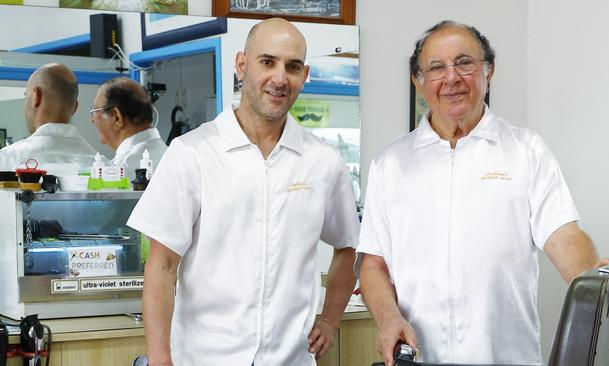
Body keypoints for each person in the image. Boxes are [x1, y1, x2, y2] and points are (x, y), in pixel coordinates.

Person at [357, 20, 609, 366]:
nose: (452, 78)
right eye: (436, 68)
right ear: (418, 80)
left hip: (507, 357)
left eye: (465, 63)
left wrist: (592, 276)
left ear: (489, 71)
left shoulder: (526, 150)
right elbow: (373, 263)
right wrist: (388, 319)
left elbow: (562, 234)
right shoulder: (390, 163)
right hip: (417, 356)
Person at [126, 18, 359, 366]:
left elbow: (349, 247)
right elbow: (161, 267)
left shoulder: (323, 162)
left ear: (305, 75)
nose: (280, 78)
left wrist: (330, 319)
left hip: (290, 359)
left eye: (292, 67)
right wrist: (161, 360)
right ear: (241, 64)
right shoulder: (192, 153)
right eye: (268, 62)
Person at [0, 63, 97, 171]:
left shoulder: (8, 160)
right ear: (75, 107)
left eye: (26, 95)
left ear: (35, 96)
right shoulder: (101, 163)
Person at [90, 77, 167, 180]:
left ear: (116, 117)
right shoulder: (174, 156)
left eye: (94, 112)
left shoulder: (121, 172)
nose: (92, 120)